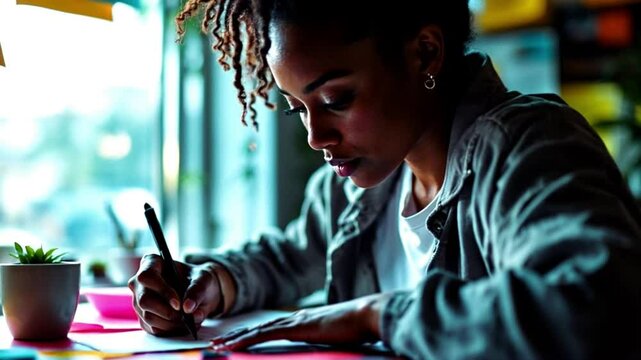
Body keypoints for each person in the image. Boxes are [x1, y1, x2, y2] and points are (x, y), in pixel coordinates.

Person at [128, 0, 641, 358]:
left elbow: (592, 307)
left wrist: (377, 316)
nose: (315, 137)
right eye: (296, 110)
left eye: (336, 101)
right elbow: (288, 255)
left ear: (425, 53)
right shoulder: (355, 184)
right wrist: (209, 284)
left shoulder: (529, 145)